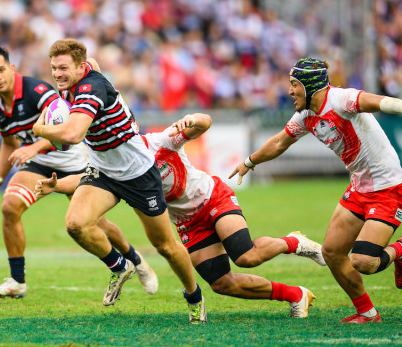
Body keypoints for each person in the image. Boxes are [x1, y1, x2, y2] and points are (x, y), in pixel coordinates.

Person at [36, 113, 326, 318]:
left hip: (213, 198)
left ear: (130, 128)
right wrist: (55, 186)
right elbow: (90, 179)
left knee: (246, 256)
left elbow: (204, 123)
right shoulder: (114, 165)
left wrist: (192, 120)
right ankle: (296, 295)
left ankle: (293, 241)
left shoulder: (159, 141)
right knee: (222, 283)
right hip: (187, 222)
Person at [32, 38, 206, 323]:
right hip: (103, 171)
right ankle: (119, 265)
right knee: (76, 224)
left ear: (81, 67)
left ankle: (194, 296)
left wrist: (41, 128)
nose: (57, 74)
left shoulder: (91, 89)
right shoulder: (79, 80)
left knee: (165, 246)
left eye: (63, 68)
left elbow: (74, 135)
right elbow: (92, 71)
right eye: (53, 67)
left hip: (138, 174)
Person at [230, 57, 402, 323]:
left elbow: (375, 101)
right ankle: (368, 313)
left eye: (294, 84)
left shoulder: (341, 99)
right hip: (358, 188)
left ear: (310, 86)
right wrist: (249, 162)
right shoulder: (305, 116)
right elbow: (278, 143)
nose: (289, 91)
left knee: (364, 262)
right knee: (332, 253)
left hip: (388, 187)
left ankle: (400, 250)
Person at [0, 45, 157, 299]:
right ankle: (18, 282)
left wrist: (34, 146)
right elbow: (9, 143)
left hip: (71, 157)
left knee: (94, 223)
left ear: (11, 68)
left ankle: (136, 260)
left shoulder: (36, 90)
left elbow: (66, 126)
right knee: (10, 207)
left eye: (0, 70)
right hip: (39, 161)